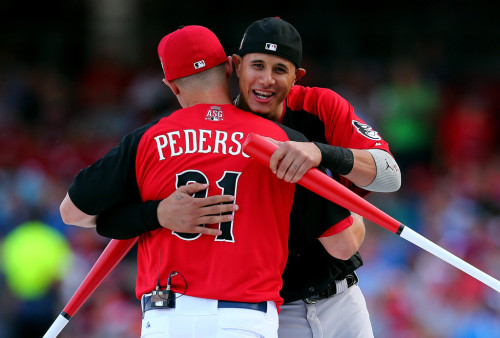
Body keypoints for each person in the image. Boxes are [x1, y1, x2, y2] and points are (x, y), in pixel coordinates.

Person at [60, 25, 358, 338]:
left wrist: (155, 214)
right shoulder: (284, 143)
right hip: (246, 319)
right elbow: (343, 245)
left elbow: (73, 214)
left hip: (166, 318)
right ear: (231, 67)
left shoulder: (146, 141)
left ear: (171, 85)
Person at [230, 17, 401, 338]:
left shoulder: (321, 106)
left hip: (342, 299)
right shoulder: (219, 126)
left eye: (280, 69)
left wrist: (321, 152)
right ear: (236, 65)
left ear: (297, 76)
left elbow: (390, 176)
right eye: (257, 65)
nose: (266, 79)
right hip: (270, 311)